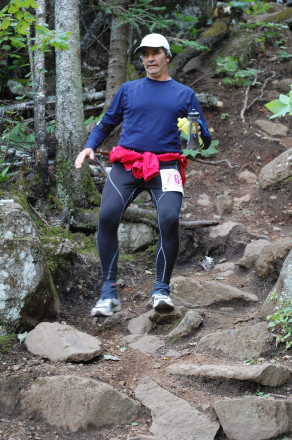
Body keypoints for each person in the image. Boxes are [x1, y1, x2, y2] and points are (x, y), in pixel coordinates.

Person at [75, 33, 211, 317]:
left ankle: (161, 290)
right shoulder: (129, 89)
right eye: (145, 54)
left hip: (166, 165)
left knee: (170, 219)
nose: (150, 58)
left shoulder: (185, 94)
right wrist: (89, 147)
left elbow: (203, 139)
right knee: (107, 215)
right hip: (128, 162)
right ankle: (108, 294)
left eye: (156, 53)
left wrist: (194, 133)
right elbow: (107, 123)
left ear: (167, 56)